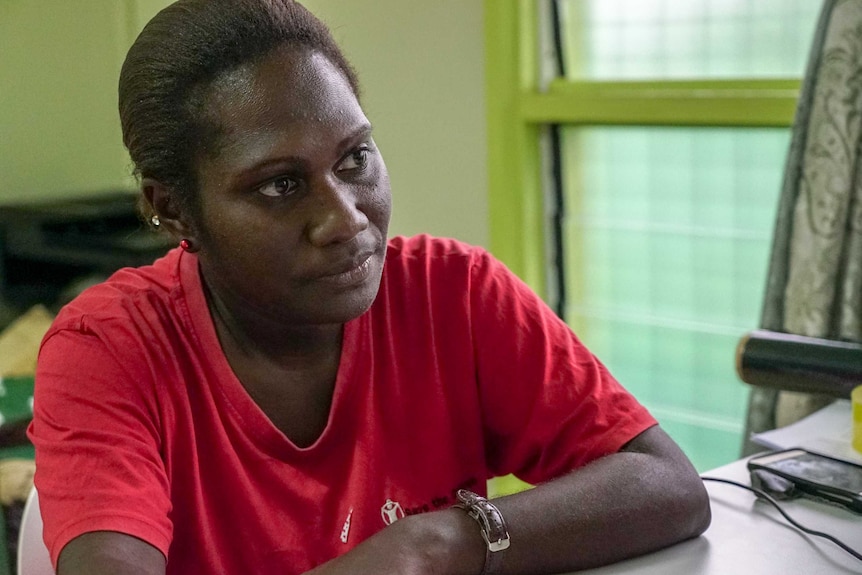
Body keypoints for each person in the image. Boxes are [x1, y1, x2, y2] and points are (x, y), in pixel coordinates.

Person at [28, 1, 711, 574]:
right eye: (280, 185)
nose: (345, 219)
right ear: (173, 210)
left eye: (355, 158)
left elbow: (667, 483)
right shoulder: (109, 350)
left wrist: (437, 539)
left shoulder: (454, 295)